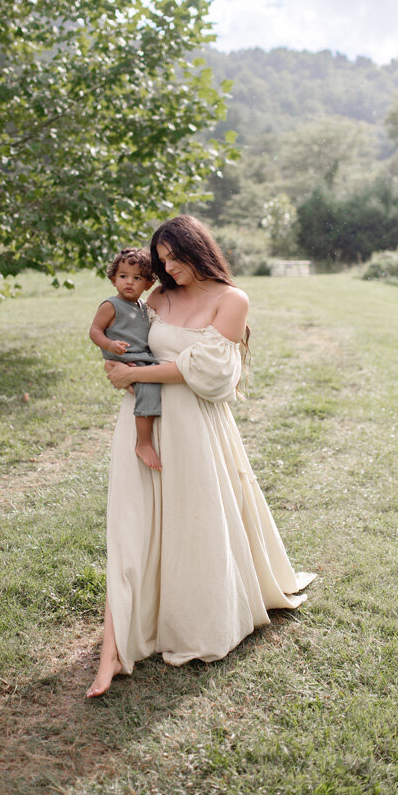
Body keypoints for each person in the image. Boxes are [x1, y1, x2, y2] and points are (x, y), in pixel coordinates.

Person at [86, 216, 315, 698]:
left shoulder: (231, 299)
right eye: (162, 259)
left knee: (195, 520)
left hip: (197, 430)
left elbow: (211, 374)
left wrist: (137, 376)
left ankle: (192, 617)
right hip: (144, 420)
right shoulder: (156, 297)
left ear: (198, 250)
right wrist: (117, 365)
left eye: (175, 257)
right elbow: (135, 349)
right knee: (133, 526)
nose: (168, 267)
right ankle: (113, 648)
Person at [89, 247, 162, 473]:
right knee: (149, 387)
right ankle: (144, 442)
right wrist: (109, 344)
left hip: (143, 356)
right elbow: (95, 330)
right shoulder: (111, 305)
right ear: (113, 279)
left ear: (148, 284)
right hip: (127, 357)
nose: (129, 282)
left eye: (137, 278)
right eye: (123, 276)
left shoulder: (143, 307)